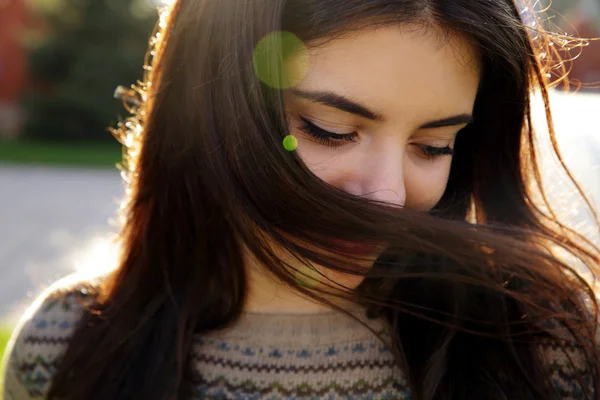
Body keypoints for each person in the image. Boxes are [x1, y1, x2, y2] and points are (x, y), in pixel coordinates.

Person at [2, 0, 600, 399]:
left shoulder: (543, 348)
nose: (388, 196)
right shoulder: (63, 346)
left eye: (433, 145)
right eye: (328, 129)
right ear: (214, 108)